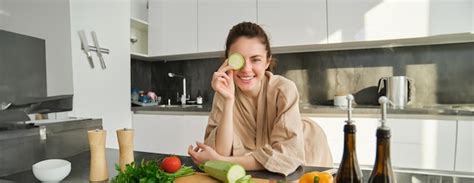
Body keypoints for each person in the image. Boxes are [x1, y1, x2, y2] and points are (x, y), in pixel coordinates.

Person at [188, 22, 333, 175]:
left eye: (255, 59)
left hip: (307, 150)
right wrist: (229, 100)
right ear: (228, 61)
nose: (246, 69)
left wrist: (219, 160)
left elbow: (285, 157)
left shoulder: (283, 89)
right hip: (258, 173)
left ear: (267, 61)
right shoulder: (224, 92)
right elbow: (220, 151)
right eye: (239, 60)